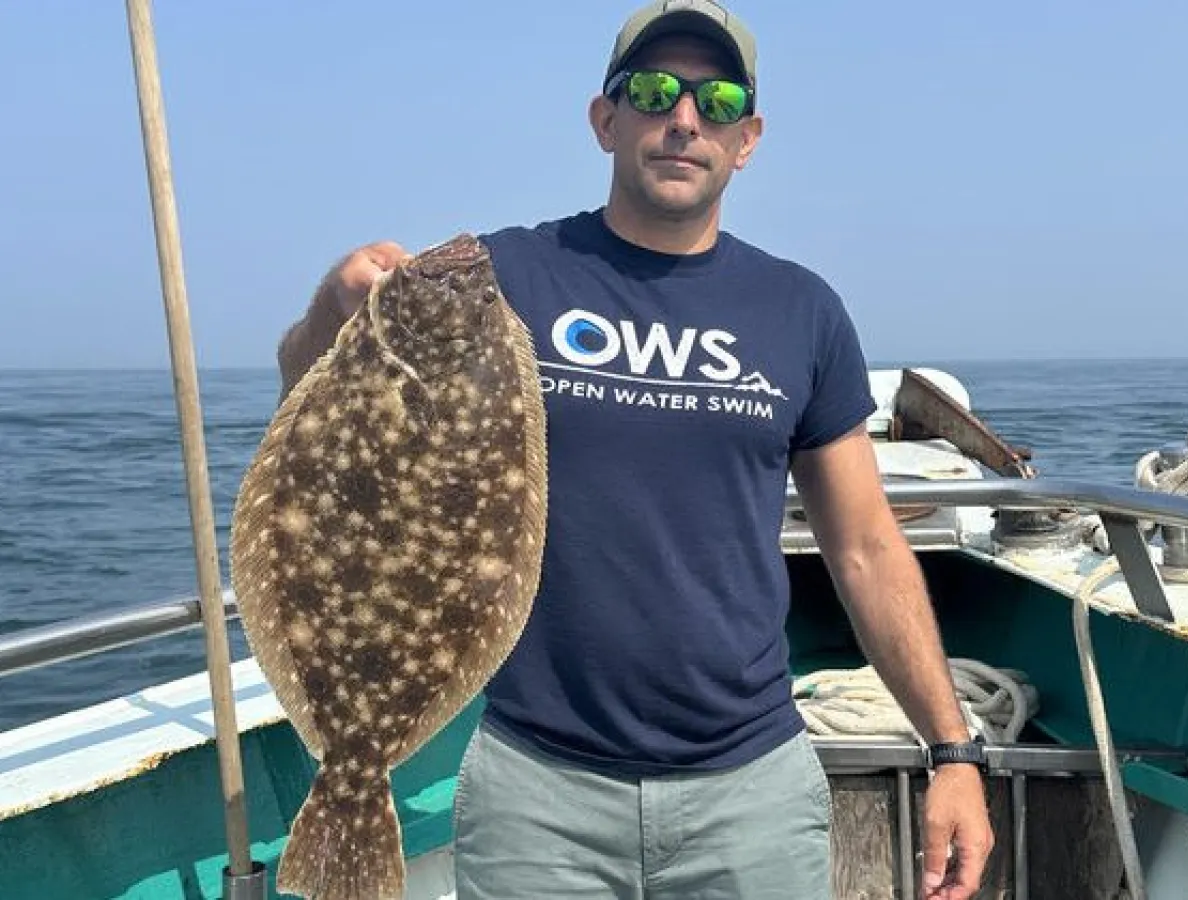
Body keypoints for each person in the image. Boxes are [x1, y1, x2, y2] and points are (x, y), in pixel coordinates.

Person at [276, 2, 994, 897]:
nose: (684, 118)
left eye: (717, 100)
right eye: (654, 92)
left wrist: (953, 749)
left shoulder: (801, 310)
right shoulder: (500, 278)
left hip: (751, 788)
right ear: (606, 120)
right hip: (538, 786)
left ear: (748, 138)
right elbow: (309, 391)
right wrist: (336, 305)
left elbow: (864, 546)